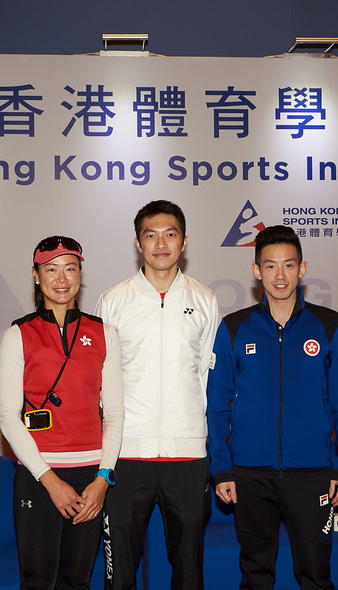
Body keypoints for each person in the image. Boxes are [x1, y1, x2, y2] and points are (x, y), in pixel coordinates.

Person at [206, 225, 338, 590]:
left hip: (314, 474)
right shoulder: (234, 327)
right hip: (249, 474)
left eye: (288, 265)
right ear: (257, 271)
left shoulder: (329, 324)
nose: (280, 275)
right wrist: (222, 469)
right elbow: (216, 405)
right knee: (255, 574)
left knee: (316, 575)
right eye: (270, 266)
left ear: (302, 268)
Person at [95, 200, 220, 590]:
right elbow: (102, 381)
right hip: (126, 455)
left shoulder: (204, 301)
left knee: (188, 572)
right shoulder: (113, 301)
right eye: (151, 235)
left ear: (184, 243)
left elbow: (204, 375)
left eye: (170, 235)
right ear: (138, 243)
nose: (161, 244)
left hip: (187, 455)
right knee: (120, 576)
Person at [0, 236, 124, 590]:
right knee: (38, 580)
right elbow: (8, 416)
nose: (61, 278)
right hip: (40, 476)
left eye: (70, 268)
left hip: (91, 478)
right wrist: (50, 480)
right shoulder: (18, 334)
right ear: (36, 276)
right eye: (51, 269)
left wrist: (103, 480)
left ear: (80, 273)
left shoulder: (104, 333)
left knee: (77, 579)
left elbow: (114, 412)